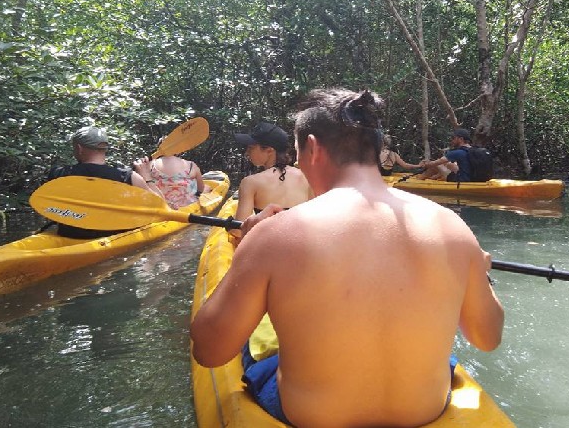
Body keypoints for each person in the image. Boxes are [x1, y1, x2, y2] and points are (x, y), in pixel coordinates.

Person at [191, 88, 504, 427]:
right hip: (426, 410)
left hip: (310, 417)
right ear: (373, 149)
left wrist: (246, 254)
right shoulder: (452, 226)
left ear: (311, 146)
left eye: (297, 153)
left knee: (259, 357)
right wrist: (479, 272)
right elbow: (487, 338)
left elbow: (209, 351)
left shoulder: (275, 233)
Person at [47, 125, 164, 239]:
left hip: (72, 236)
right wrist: (146, 176)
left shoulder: (58, 174)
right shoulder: (127, 176)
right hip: (115, 236)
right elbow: (161, 207)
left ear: (79, 148)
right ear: (105, 148)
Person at [230, 121, 312, 240]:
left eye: (251, 147)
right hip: (301, 245)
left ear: (269, 150)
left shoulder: (250, 182)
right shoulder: (307, 177)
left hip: (268, 247)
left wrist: (230, 222)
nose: (247, 152)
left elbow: (238, 231)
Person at [132, 145, 205, 210]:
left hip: (161, 205)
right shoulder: (191, 165)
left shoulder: (148, 165)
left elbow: (142, 186)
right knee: (205, 188)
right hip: (186, 206)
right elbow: (200, 189)